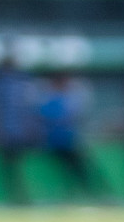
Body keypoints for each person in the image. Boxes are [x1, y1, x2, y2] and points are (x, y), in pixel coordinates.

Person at [38, 70, 102, 201]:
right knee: (73, 172)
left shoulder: (67, 99)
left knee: (82, 171)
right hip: (58, 142)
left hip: (69, 141)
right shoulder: (51, 99)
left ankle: (93, 195)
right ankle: (82, 195)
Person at [0, 52, 37, 205]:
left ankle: (18, 197)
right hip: (13, 133)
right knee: (13, 167)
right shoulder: (20, 83)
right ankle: (20, 198)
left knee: (12, 168)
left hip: (8, 133)